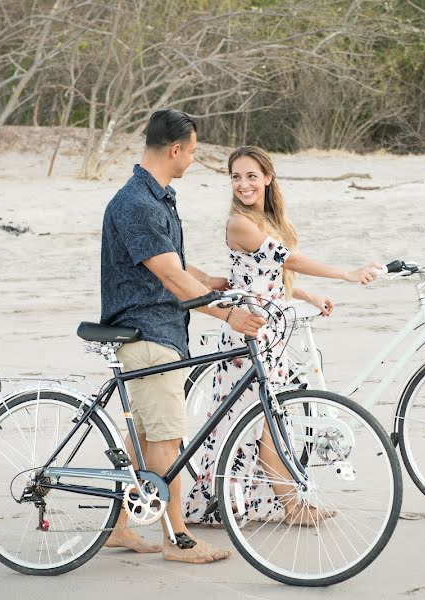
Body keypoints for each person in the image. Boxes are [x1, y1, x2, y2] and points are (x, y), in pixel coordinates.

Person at [182, 145, 380, 527]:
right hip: (246, 336)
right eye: (236, 177)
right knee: (260, 424)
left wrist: (308, 294)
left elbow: (271, 279)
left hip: (270, 332)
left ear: (268, 178)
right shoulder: (238, 223)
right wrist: (346, 274)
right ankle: (289, 506)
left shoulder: (268, 220)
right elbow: (288, 260)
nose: (243, 184)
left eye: (251, 176)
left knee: (270, 422)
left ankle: (285, 503)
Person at [100, 110, 265, 563]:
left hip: (160, 328)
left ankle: (117, 528)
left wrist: (211, 280)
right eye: (192, 150)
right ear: (175, 149)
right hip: (149, 331)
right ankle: (178, 541)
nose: (193, 158)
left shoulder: (156, 198)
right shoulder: (137, 203)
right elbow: (170, 276)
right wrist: (227, 314)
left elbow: (169, 262)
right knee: (167, 442)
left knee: (146, 439)